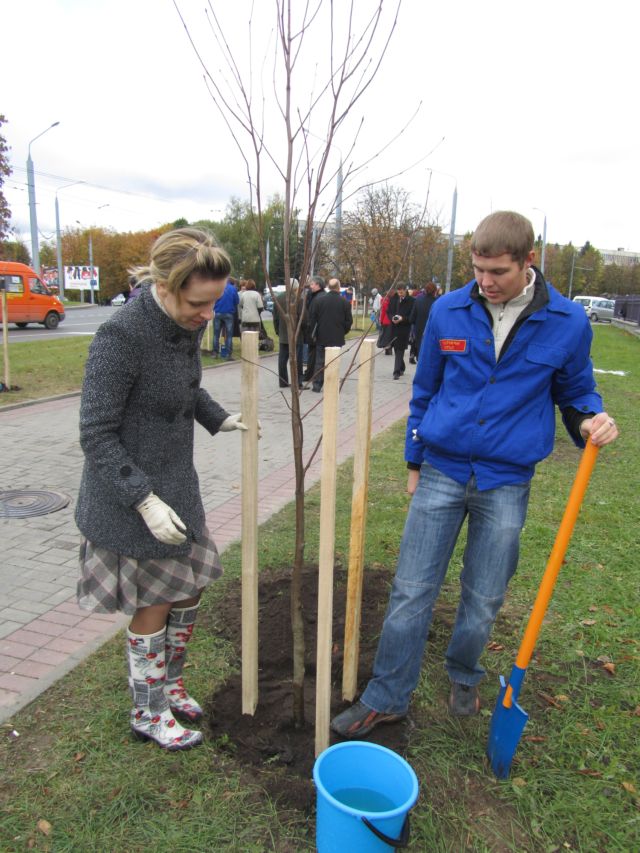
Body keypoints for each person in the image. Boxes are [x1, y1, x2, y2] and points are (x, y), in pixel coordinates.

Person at [331, 210, 619, 739]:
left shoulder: (567, 322)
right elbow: (424, 392)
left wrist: (589, 421)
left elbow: (576, 393)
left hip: (506, 481)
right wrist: (415, 462)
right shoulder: (448, 310)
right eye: (477, 270)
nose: (484, 283)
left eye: (497, 273)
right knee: (411, 589)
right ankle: (388, 695)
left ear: (528, 262)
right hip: (441, 469)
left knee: (484, 594)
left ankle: (464, 673)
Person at [75, 228, 257, 751]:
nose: (207, 316)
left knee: (192, 585)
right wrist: (144, 500)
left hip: (179, 487)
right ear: (164, 284)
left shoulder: (183, 323)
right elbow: (95, 433)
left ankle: (169, 683)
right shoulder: (121, 337)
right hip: (130, 499)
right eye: (199, 304)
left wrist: (218, 418)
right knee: (155, 602)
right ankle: (147, 711)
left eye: (213, 303)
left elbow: (186, 384)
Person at [309, 277, 353, 392]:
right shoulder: (345, 302)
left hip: (321, 336)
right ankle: (332, 384)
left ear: (328, 287)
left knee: (320, 361)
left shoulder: (319, 301)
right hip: (337, 337)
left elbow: (313, 319)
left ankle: (317, 385)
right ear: (339, 288)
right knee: (334, 361)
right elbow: (349, 321)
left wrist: (314, 333)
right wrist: (343, 331)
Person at [273, 279, 304, 389]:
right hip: (296, 334)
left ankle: (283, 382)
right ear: (295, 287)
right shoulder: (299, 299)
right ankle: (298, 382)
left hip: (283, 333)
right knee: (297, 360)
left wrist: (277, 330)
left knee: (282, 359)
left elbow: (275, 317)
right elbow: (302, 318)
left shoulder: (278, 298)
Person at [387, 283, 415, 379]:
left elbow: (412, 317)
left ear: (405, 290)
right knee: (396, 350)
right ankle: (402, 367)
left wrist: (402, 319)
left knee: (400, 350)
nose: (400, 293)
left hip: (404, 329)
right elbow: (389, 312)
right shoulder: (393, 299)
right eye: (398, 291)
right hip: (394, 328)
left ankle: (396, 372)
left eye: (402, 291)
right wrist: (392, 318)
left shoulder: (411, 301)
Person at [303, 274, 325, 383]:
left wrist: (311, 332)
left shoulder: (318, 298)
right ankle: (311, 374)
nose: (310, 286)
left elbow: (312, 316)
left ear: (318, 285)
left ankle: (311, 375)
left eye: (312, 284)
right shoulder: (314, 296)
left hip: (314, 331)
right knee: (313, 354)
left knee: (314, 355)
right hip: (315, 330)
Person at [408, 281, 437, 364]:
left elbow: (411, 319)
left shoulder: (418, 301)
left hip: (419, 333)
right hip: (433, 334)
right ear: (435, 291)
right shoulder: (437, 303)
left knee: (421, 356)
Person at [211, 278, 239, 359]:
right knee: (229, 335)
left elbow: (213, 299)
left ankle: (215, 353)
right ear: (231, 282)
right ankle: (228, 355)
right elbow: (236, 301)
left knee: (216, 334)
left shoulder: (217, 287)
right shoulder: (233, 288)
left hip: (218, 313)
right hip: (229, 313)